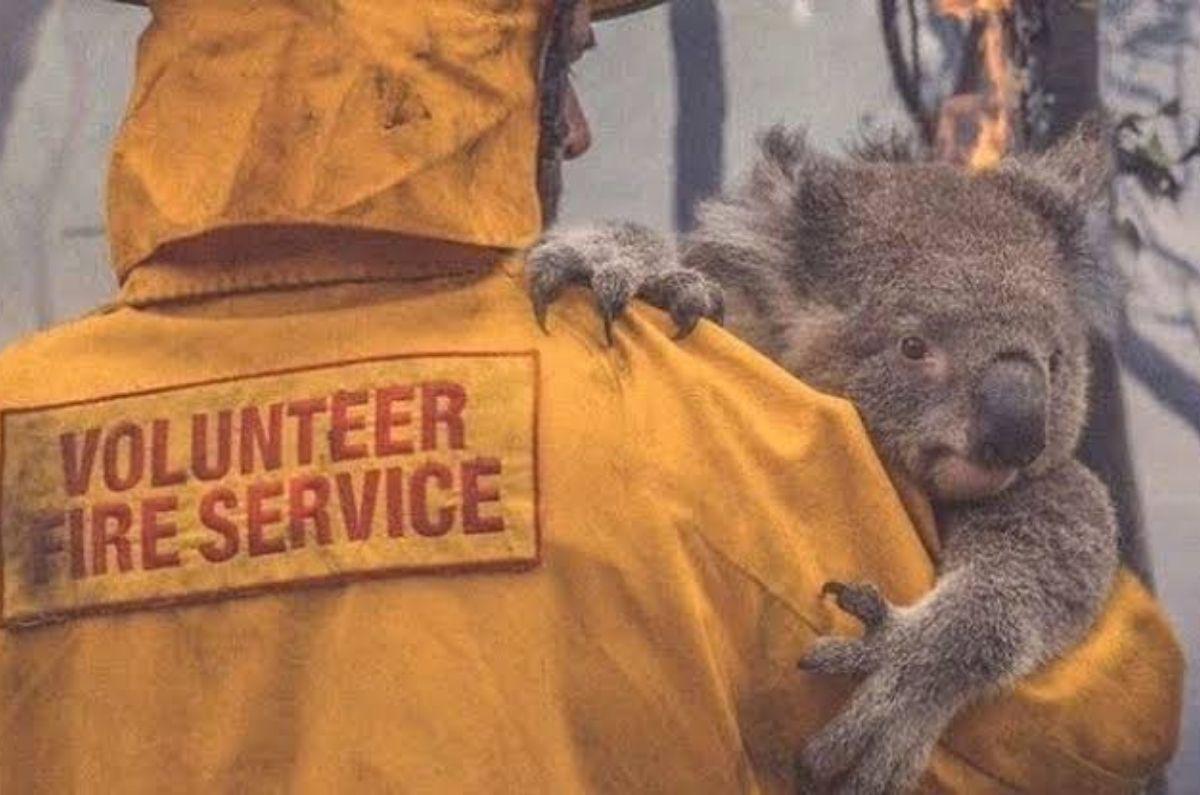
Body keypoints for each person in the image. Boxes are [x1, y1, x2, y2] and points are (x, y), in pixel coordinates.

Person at [0, 1, 1181, 792]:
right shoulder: (693, 422)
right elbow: (1100, 723)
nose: (575, 126)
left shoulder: (18, 424)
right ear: (452, 76)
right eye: (557, 65)